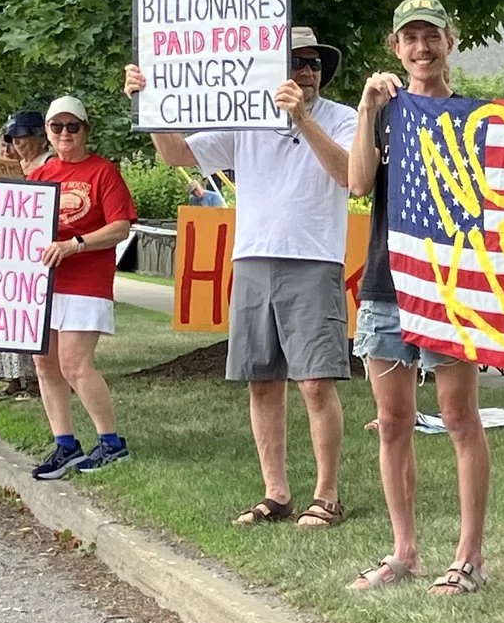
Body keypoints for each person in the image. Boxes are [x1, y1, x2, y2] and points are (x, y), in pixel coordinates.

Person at [125, 26, 358, 529]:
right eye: (295, 62)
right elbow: (177, 155)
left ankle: (327, 495)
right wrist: (149, 105)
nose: (306, 71)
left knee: (316, 382)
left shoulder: (343, 118)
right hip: (252, 258)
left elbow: (348, 175)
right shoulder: (246, 119)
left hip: (313, 259)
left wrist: (301, 119)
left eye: (313, 63)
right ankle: (276, 493)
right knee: (262, 380)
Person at [344, 0, 490, 594]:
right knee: (391, 420)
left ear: (450, 41)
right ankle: (403, 552)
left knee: (459, 417)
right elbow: (357, 184)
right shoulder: (384, 111)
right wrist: (365, 108)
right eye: (411, 38)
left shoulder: (475, 115)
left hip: (452, 283)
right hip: (386, 280)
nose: (422, 48)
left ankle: (469, 557)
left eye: (432, 36)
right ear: (394, 46)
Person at [30, 96, 137, 478]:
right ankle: (65, 443)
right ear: (47, 132)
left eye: (72, 127)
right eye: (56, 127)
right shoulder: (40, 176)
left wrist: (76, 244)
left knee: (74, 364)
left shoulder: (103, 172)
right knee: (44, 363)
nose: (64, 134)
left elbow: (121, 227)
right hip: (44, 282)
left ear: (85, 131)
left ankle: (111, 442)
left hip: (86, 281)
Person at [0, 110, 50, 401]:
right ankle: (13, 377)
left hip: (35, 249)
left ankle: (34, 379)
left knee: (30, 317)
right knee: (6, 315)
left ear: (39, 136)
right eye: (14, 138)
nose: (18, 143)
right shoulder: (10, 166)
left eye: (23, 136)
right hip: (6, 247)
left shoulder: (50, 164)